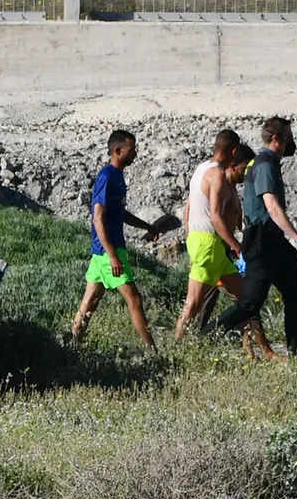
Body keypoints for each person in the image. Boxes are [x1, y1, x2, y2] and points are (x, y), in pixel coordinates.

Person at [215, 117, 297, 357]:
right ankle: (207, 335)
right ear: (277, 139)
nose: (291, 143)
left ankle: (296, 350)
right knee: (250, 303)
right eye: (288, 137)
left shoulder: (267, 163)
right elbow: (272, 206)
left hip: (273, 241)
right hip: (262, 240)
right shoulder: (265, 165)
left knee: (294, 295)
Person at [70, 130, 162, 349]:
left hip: (105, 250)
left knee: (90, 301)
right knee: (135, 299)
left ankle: (73, 343)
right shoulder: (106, 177)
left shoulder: (118, 176)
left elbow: (120, 213)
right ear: (117, 151)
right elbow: (98, 219)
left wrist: (147, 226)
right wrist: (112, 256)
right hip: (107, 251)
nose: (135, 154)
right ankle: (152, 352)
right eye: (132, 150)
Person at [175, 130, 245, 339]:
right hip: (209, 243)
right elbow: (215, 217)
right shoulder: (217, 175)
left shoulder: (200, 169)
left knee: (245, 298)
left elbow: (187, 211)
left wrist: (190, 240)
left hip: (201, 241)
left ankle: (256, 348)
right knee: (193, 305)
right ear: (234, 151)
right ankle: (174, 349)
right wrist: (237, 246)